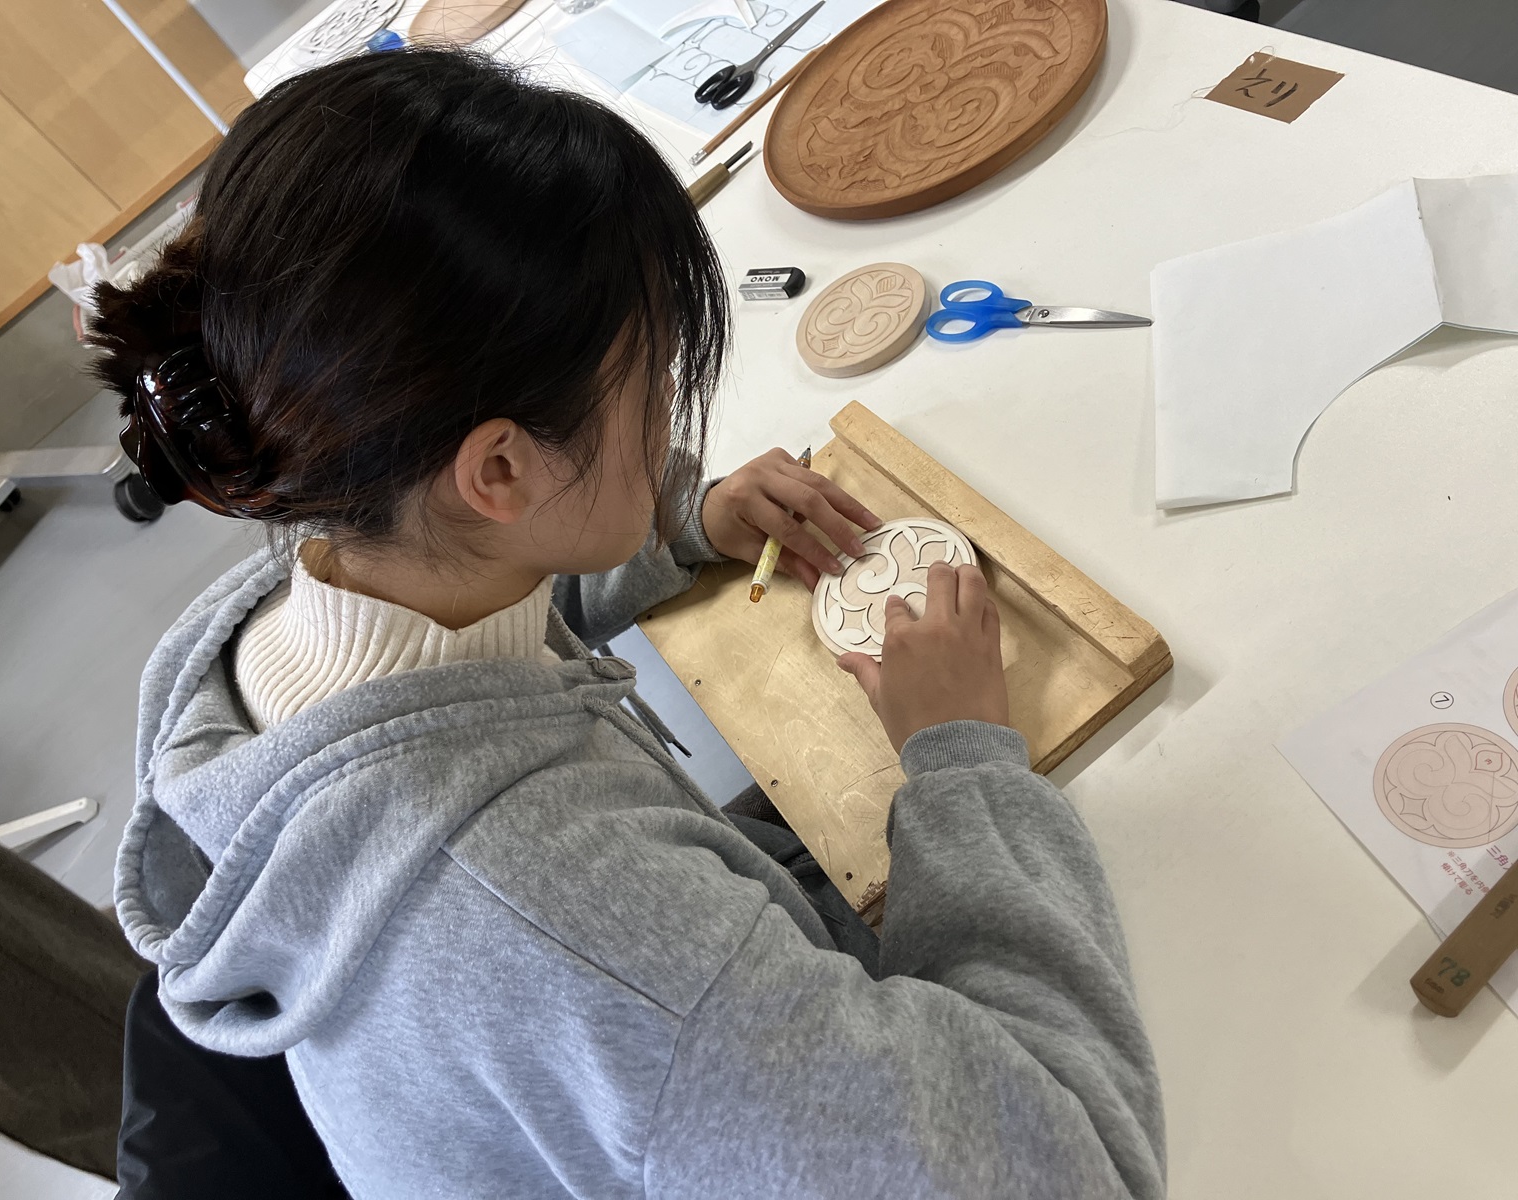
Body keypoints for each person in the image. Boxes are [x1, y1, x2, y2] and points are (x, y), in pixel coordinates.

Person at [97, 47, 1164, 1199]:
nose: (672, 416)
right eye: (655, 380)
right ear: (498, 470)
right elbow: (1076, 1163)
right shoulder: (598, 935)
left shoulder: (270, 622)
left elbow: (486, 617)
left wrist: (683, 522)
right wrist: (960, 760)